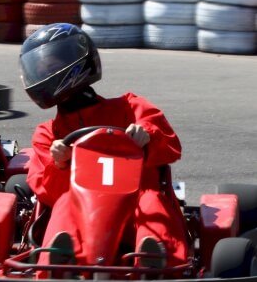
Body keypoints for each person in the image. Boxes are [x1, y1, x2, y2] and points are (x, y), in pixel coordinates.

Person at [20, 22, 189, 268]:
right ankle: (56, 264)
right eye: (42, 70)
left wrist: (146, 136)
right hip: (82, 218)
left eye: (54, 66)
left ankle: (156, 262)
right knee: (65, 203)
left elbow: (171, 145)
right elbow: (48, 194)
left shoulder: (129, 108)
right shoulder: (48, 134)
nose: (48, 74)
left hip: (133, 211)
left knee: (151, 200)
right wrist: (60, 163)